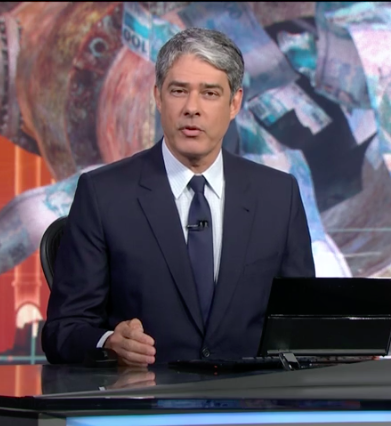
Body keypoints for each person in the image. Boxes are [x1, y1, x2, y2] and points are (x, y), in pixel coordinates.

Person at [42, 28, 315, 366]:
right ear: (158, 97)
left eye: (210, 93)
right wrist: (110, 342)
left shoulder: (279, 196)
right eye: (178, 91)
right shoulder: (103, 195)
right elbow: (63, 330)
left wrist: (345, 346)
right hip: (147, 394)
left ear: (234, 103)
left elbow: (304, 323)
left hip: (250, 395)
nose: (192, 108)